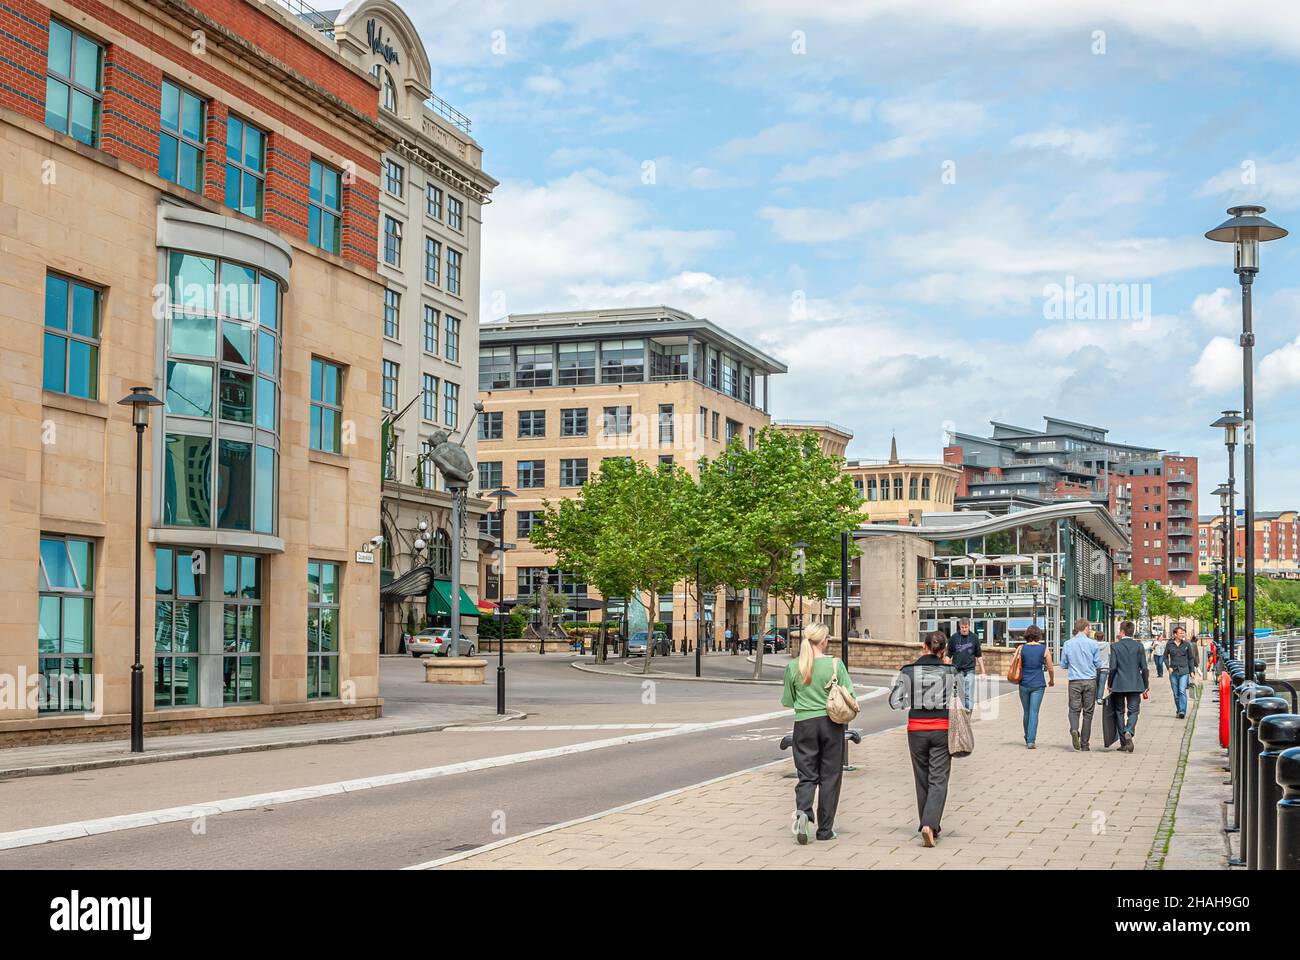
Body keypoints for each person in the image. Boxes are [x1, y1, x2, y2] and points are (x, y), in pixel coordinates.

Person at [781, 622, 854, 844]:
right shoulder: (835, 664)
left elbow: (788, 700)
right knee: (830, 776)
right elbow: (849, 693)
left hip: (803, 724)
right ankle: (825, 830)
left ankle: (803, 813)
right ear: (823, 641)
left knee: (807, 775)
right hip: (831, 724)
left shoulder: (794, 666)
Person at [890, 631, 958, 847]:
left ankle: (927, 824)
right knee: (938, 779)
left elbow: (895, 701)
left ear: (924, 646)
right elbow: (959, 697)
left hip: (916, 729)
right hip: (941, 728)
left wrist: (912, 701)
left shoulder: (908, 671)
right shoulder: (950, 671)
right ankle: (930, 824)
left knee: (921, 778)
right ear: (944, 650)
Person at [1107, 620, 1150, 753]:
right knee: (1134, 711)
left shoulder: (1115, 646)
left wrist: (1110, 683)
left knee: (1119, 712)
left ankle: (1124, 742)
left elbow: (1113, 667)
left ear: (1121, 632)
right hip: (1135, 684)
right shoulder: (1139, 646)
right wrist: (1145, 684)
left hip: (1119, 684)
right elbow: (1144, 667)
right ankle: (1129, 730)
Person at [1060, 618, 1102, 751]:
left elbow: (1063, 664)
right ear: (1085, 628)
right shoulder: (1093, 643)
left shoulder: (1067, 644)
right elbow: (1098, 663)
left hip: (1074, 681)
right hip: (1090, 680)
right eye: (1089, 628)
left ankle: (1074, 728)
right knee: (1088, 712)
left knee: (1074, 709)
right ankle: (1085, 744)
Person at [1015, 625, 1054, 748]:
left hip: (1024, 683)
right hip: (1038, 684)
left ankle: (1027, 736)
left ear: (1027, 635)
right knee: (1034, 712)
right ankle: (1031, 740)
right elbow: (1051, 668)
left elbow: (1015, 663)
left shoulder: (1021, 648)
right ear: (1038, 635)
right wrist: (1052, 680)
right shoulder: (1044, 649)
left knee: (1026, 711)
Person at [945, 618, 986, 710]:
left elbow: (979, 655)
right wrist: (945, 667)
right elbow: (948, 654)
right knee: (961, 695)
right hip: (957, 670)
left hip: (970, 669)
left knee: (968, 695)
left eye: (966, 627)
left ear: (969, 626)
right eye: (962, 627)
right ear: (959, 627)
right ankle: (963, 717)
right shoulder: (954, 638)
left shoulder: (974, 638)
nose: (964, 629)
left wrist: (983, 671)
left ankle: (968, 716)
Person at [1165, 626, 1200, 719]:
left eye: (1183, 633)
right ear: (1175, 634)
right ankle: (1179, 709)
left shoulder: (1186, 644)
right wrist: (1168, 667)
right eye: (1180, 633)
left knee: (1182, 691)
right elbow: (1165, 657)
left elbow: (1190, 659)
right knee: (1176, 694)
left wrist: (1192, 671)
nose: (1182, 634)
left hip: (1184, 671)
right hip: (1173, 672)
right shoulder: (1169, 644)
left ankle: (1182, 711)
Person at [1094, 627, 1111, 706]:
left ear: (1095, 637)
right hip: (1105, 667)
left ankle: (1095, 697)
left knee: (1095, 683)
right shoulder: (1108, 645)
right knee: (1102, 683)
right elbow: (1110, 655)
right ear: (1103, 637)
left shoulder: (1093, 645)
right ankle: (1099, 698)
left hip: (1095, 667)